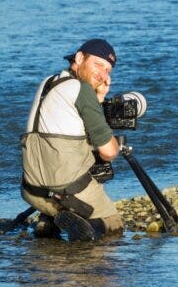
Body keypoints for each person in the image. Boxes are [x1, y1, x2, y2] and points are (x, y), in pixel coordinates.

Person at [20, 38, 125, 241]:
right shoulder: (81, 89)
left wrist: (99, 99)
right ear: (79, 58)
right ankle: (89, 229)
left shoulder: (48, 82)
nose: (103, 75)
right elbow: (108, 152)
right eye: (98, 64)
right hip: (67, 189)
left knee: (63, 188)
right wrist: (116, 144)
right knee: (114, 225)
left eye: (108, 70)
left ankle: (48, 222)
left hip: (31, 190)